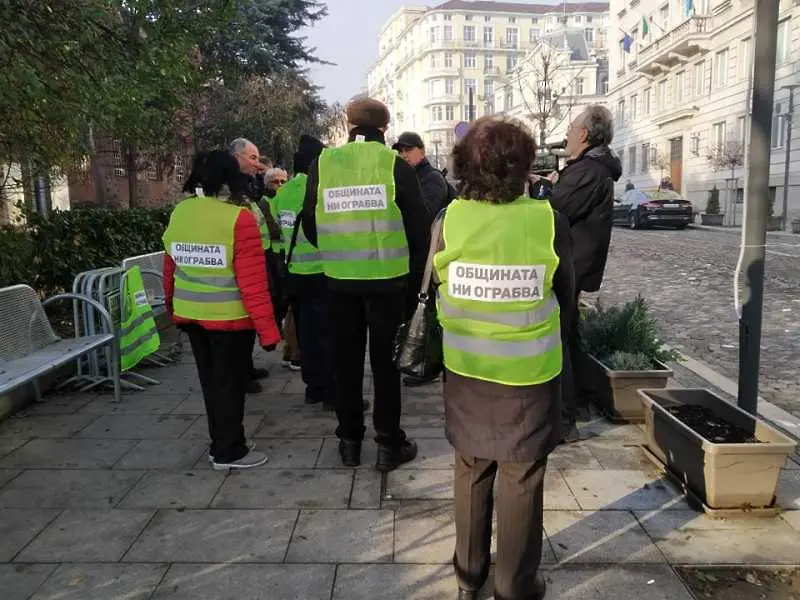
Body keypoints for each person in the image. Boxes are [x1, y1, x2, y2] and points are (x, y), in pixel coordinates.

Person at [433, 117, 574, 600]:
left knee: (471, 469)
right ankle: (514, 586)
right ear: (524, 168)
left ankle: (468, 578)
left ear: (464, 166)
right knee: (522, 475)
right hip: (529, 375)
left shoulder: (448, 220)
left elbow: (427, 288)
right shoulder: (547, 220)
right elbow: (567, 297)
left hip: (468, 370)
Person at [301, 97, 431, 471]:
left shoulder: (323, 163)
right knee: (386, 365)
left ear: (349, 126)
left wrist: (338, 247)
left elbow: (310, 223)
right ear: (384, 129)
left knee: (345, 362)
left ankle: (349, 442)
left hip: (339, 281)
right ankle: (389, 444)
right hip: (388, 282)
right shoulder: (393, 165)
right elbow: (419, 226)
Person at [162, 150, 281, 470]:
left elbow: (170, 266)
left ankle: (221, 441)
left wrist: (171, 304)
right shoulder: (237, 218)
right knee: (229, 385)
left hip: (191, 315)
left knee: (211, 383)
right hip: (228, 318)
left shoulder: (181, 212)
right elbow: (253, 282)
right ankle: (230, 450)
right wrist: (269, 332)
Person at [540, 105, 622, 439]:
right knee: (568, 335)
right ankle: (576, 404)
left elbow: (554, 210)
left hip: (570, 264)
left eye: (572, 128)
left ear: (584, 134)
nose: (567, 135)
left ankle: (564, 418)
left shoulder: (588, 170)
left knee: (558, 339)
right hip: (575, 263)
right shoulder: (590, 167)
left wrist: (542, 190)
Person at [272, 135, 336, 405]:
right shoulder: (321, 189)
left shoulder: (282, 193)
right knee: (328, 335)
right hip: (322, 272)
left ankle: (312, 388)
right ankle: (332, 393)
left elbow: (279, 228)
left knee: (305, 333)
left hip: (295, 273)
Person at [229, 138, 273, 391]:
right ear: (236, 158)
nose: (257, 164)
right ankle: (239, 374)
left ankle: (246, 366)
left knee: (248, 320)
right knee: (239, 320)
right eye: (252, 158)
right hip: (240, 265)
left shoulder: (247, 185)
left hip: (255, 259)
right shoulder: (229, 188)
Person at [392, 131, 452, 216]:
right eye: (400, 151)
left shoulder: (433, 179)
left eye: (408, 150)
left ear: (422, 151)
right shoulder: (407, 178)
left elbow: (425, 217)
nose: (403, 155)